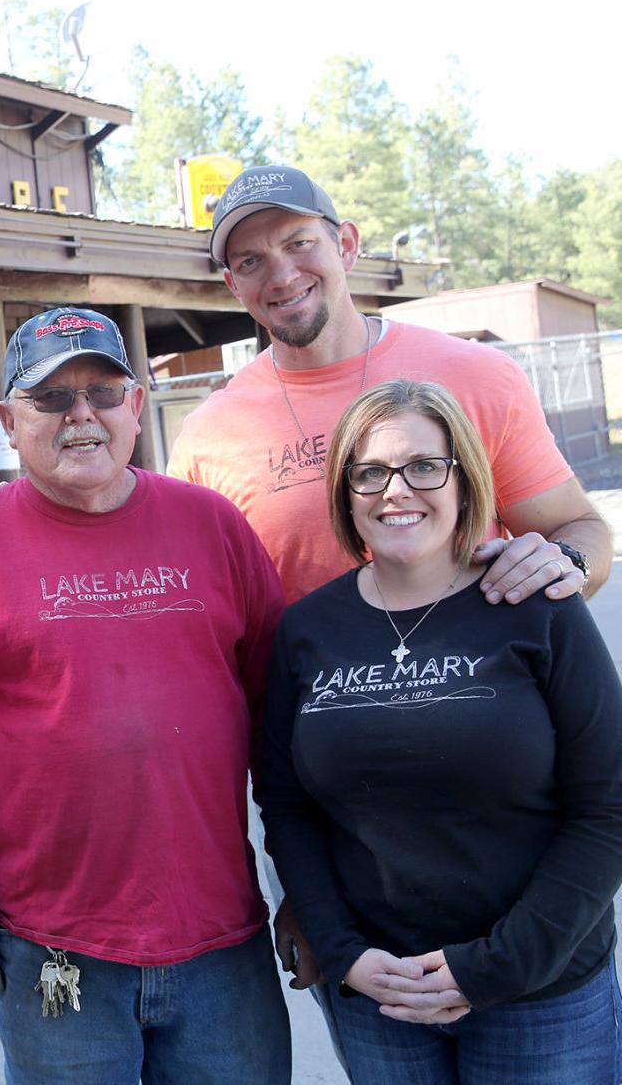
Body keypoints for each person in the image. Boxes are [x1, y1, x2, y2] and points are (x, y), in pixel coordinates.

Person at [167, 164, 614, 992]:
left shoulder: (472, 377)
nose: (280, 272)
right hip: (339, 823)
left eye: (298, 242)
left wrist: (561, 566)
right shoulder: (208, 436)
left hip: (499, 801)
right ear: (231, 284)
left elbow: (580, 529)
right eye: (250, 260)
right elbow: (221, 652)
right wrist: (306, 896)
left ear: (345, 243)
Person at [0, 306, 291, 1083]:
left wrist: (305, 887)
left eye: (102, 392)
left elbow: (283, 735)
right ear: (9, 421)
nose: (80, 414)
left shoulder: (213, 528)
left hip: (221, 946)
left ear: (135, 405)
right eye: (50, 397)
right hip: (53, 953)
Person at [259, 379, 622, 1084]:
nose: (396, 489)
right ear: (345, 492)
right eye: (370, 471)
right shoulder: (306, 630)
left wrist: (496, 966)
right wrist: (343, 953)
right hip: (381, 991)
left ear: (463, 479)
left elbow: (606, 806)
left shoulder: (537, 604)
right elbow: (287, 805)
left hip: (539, 992)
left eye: (424, 466)